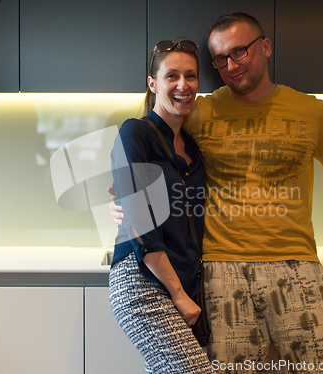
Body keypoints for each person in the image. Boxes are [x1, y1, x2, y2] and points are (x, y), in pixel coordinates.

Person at [110, 12, 323, 374]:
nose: (231, 64)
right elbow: (146, 149)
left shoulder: (312, 111)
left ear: (265, 47)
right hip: (222, 270)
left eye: (240, 51)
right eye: (220, 59)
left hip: (296, 264)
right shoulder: (198, 110)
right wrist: (123, 203)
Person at [108, 39, 214, 374]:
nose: (183, 85)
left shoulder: (193, 149)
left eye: (191, 76)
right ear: (153, 84)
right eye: (172, 76)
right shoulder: (135, 132)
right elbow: (142, 225)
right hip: (143, 281)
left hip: (182, 280)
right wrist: (179, 294)